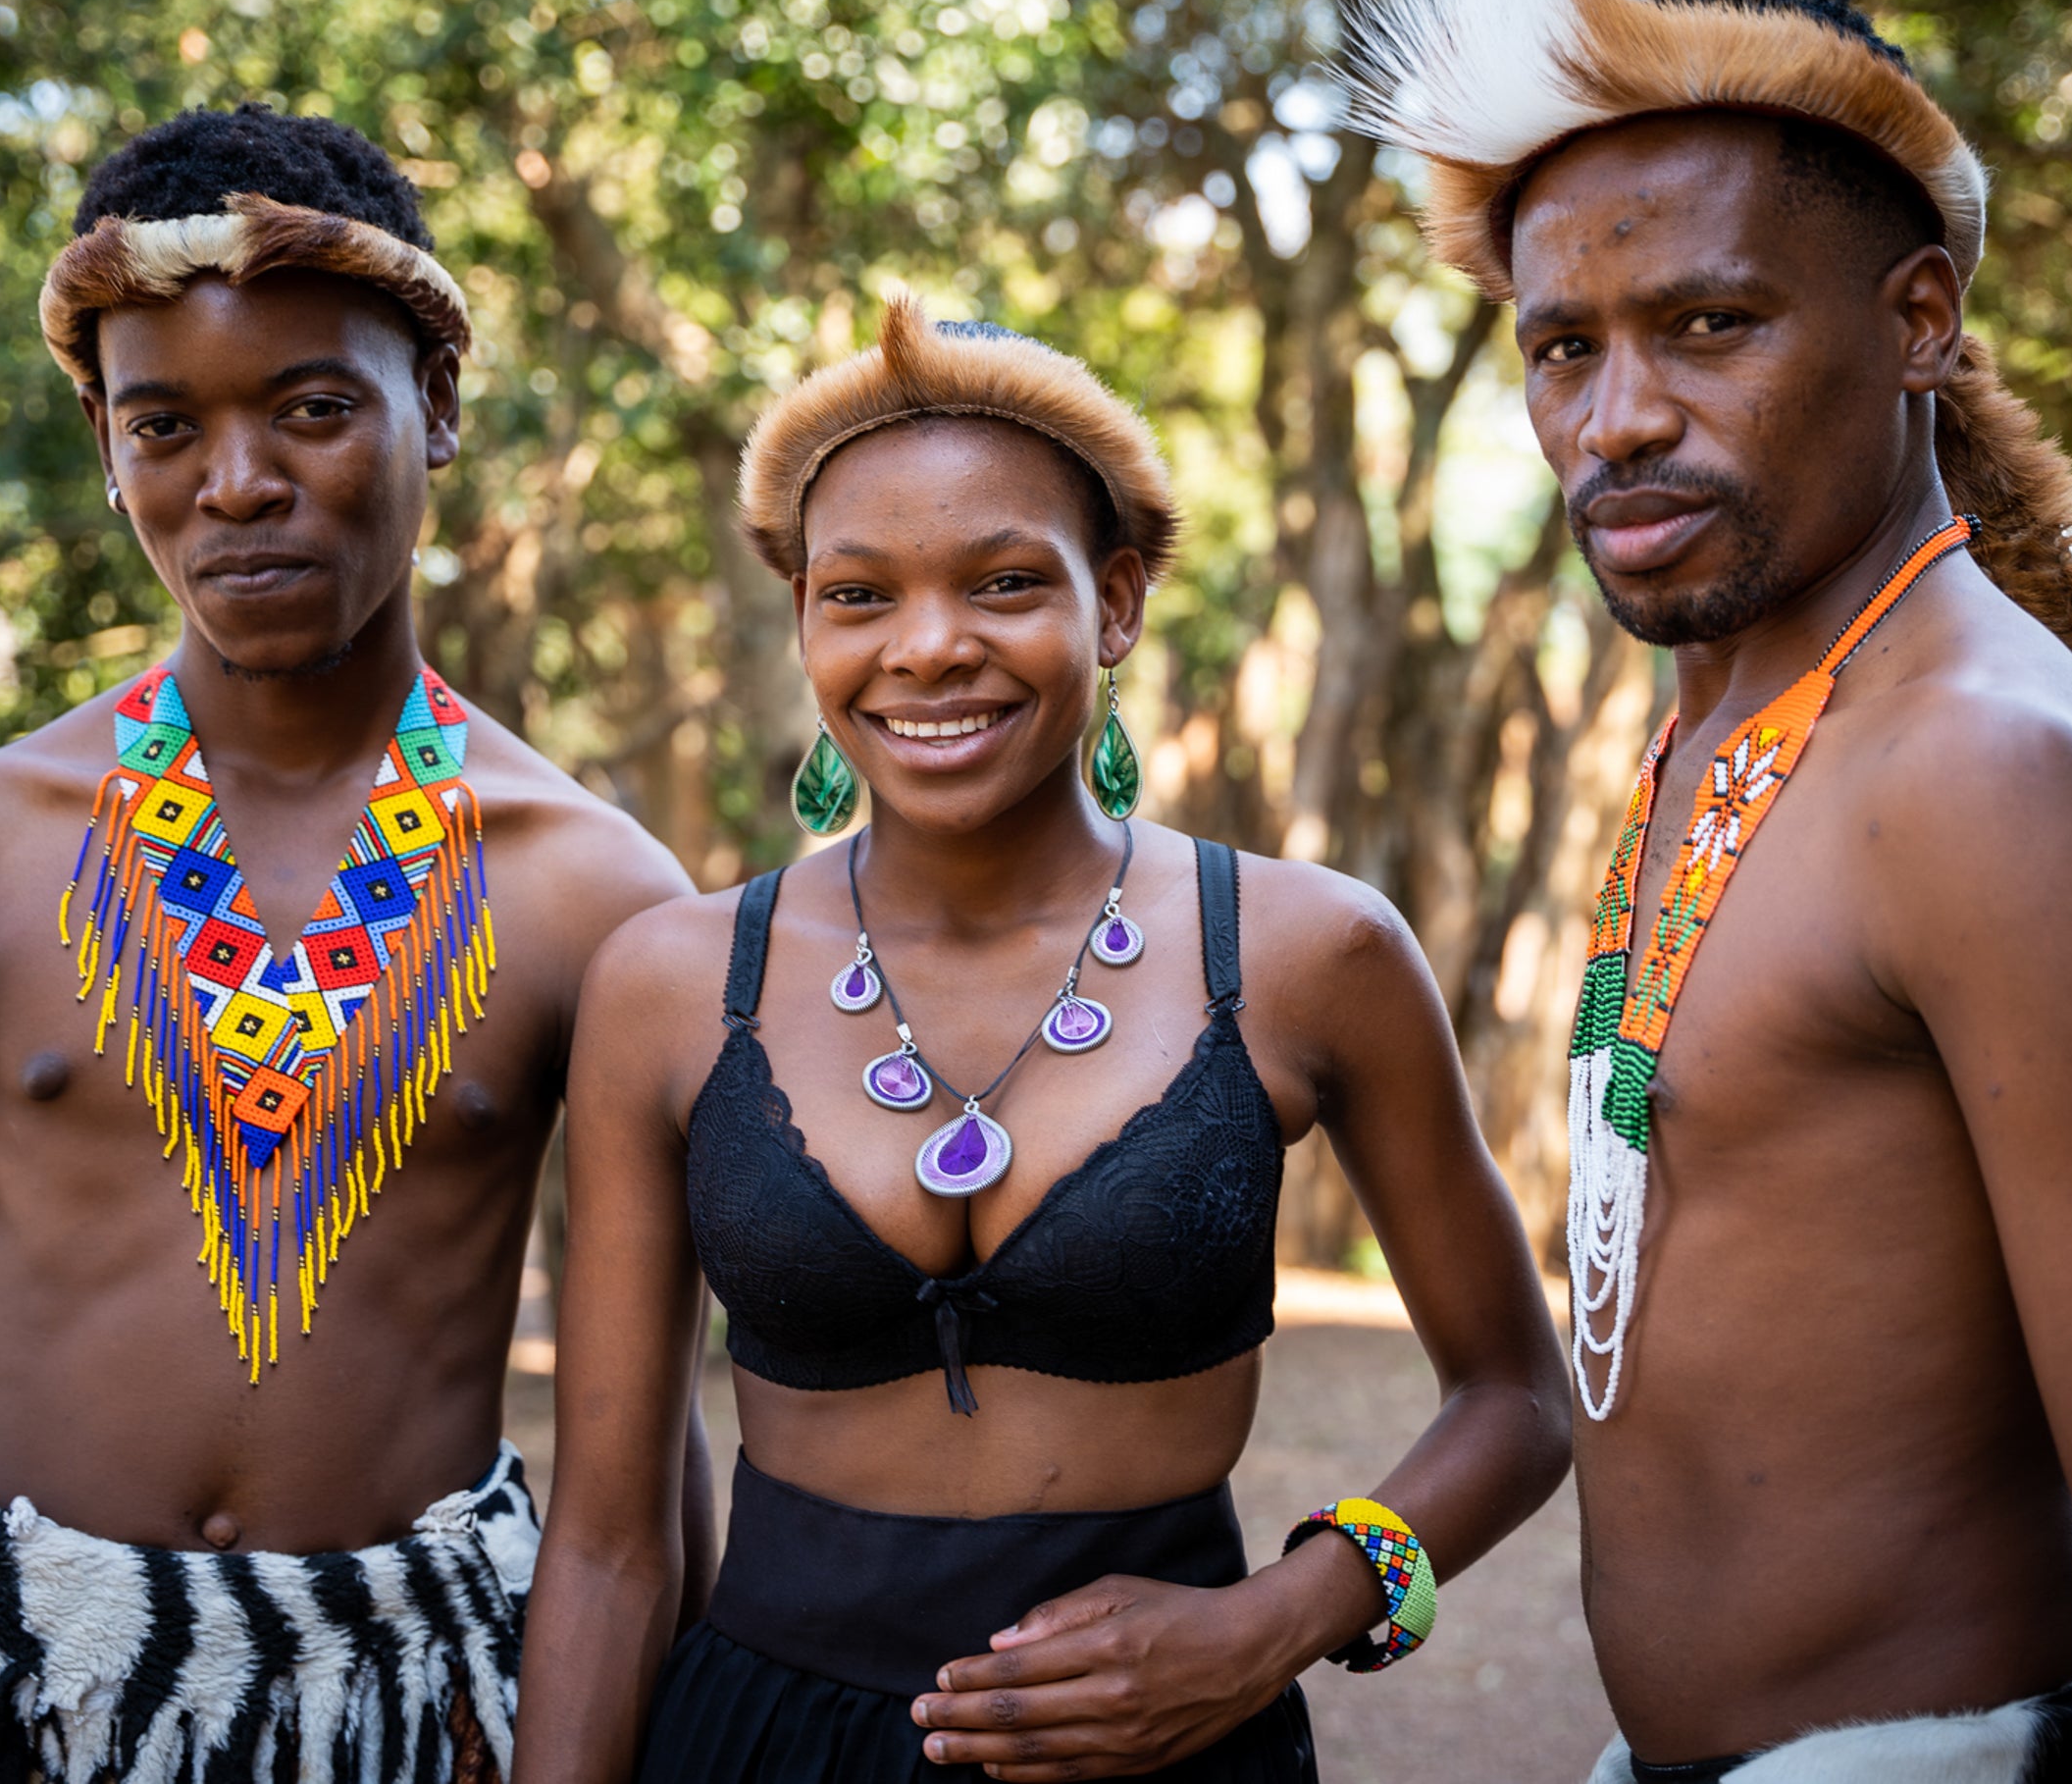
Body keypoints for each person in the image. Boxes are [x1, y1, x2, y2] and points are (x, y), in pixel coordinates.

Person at [1338, 0, 2072, 1784]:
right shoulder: (1734, 705)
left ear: (1918, 322)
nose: (1618, 417)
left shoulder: (1970, 763)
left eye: (1709, 324)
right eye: (1565, 348)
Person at [0, 104, 707, 1784]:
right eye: (163, 423)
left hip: (419, 1724)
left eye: (316, 408)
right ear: (105, 443)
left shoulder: (596, 899)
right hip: (9, 1718)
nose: (239, 483)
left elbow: (646, 1476)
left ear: (440, 408)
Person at [511, 300, 1571, 1782]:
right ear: (807, 620)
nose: (929, 649)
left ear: (1117, 602)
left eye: (1005, 582)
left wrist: (1274, 1623)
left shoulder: (1303, 954)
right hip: (760, 1747)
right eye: (858, 595)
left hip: (1178, 1754)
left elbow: (1518, 1397)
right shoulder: (674, 985)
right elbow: (614, 1541)